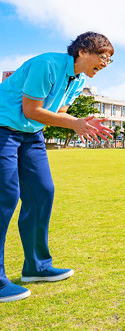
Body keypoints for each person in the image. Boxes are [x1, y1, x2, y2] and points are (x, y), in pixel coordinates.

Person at [0, 32, 114, 303]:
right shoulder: (47, 65)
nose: (106, 63)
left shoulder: (78, 79)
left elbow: (57, 112)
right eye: (103, 56)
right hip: (3, 130)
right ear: (83, 51)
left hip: (31, 135)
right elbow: (31, 109)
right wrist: (75, 124)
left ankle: (36, 267)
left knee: (42, 192)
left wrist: (80, 121)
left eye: (111, 60)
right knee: (5, 196)